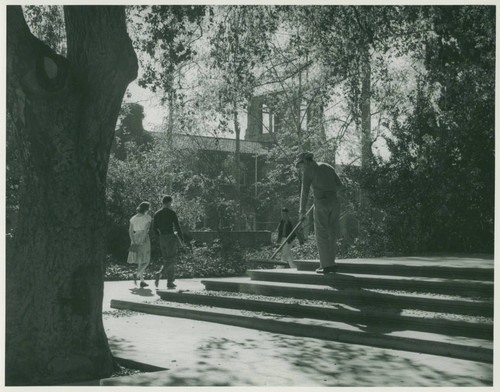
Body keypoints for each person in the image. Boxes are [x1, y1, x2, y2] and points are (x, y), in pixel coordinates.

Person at [296, 152, 343, 274]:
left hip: (322, 203)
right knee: (332, 233)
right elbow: (340, 186)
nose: (300, 167)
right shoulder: (328, 166)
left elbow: (304, 192)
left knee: (321, 233)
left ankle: (326, 266)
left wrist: (302, 211)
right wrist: (328, 193)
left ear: (306, 161)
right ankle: (331, 263)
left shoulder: (308, 170)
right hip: (334, 202)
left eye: (300, 164)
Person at [153, 195, 184, 289]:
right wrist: (181, 239)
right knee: (172, 258)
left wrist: (160, 237)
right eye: (171, 202)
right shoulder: (171, 213)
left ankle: (170, 282)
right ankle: (160, 273)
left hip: (162, 237)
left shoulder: (157, 214)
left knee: (167, 259)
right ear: (169, 202)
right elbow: (177, 226)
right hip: (170, 236)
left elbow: (154, 229)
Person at [127, 201, 152, 288]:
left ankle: (142, 280)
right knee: (146, 260)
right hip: (143, 238)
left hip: (135, 236)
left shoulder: (133, 218)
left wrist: (133, 240)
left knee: (140, 260)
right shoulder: (147, 217)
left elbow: (130, 230)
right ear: (146, 209)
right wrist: (142, 240)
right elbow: (146, 230)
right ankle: (137, 274)